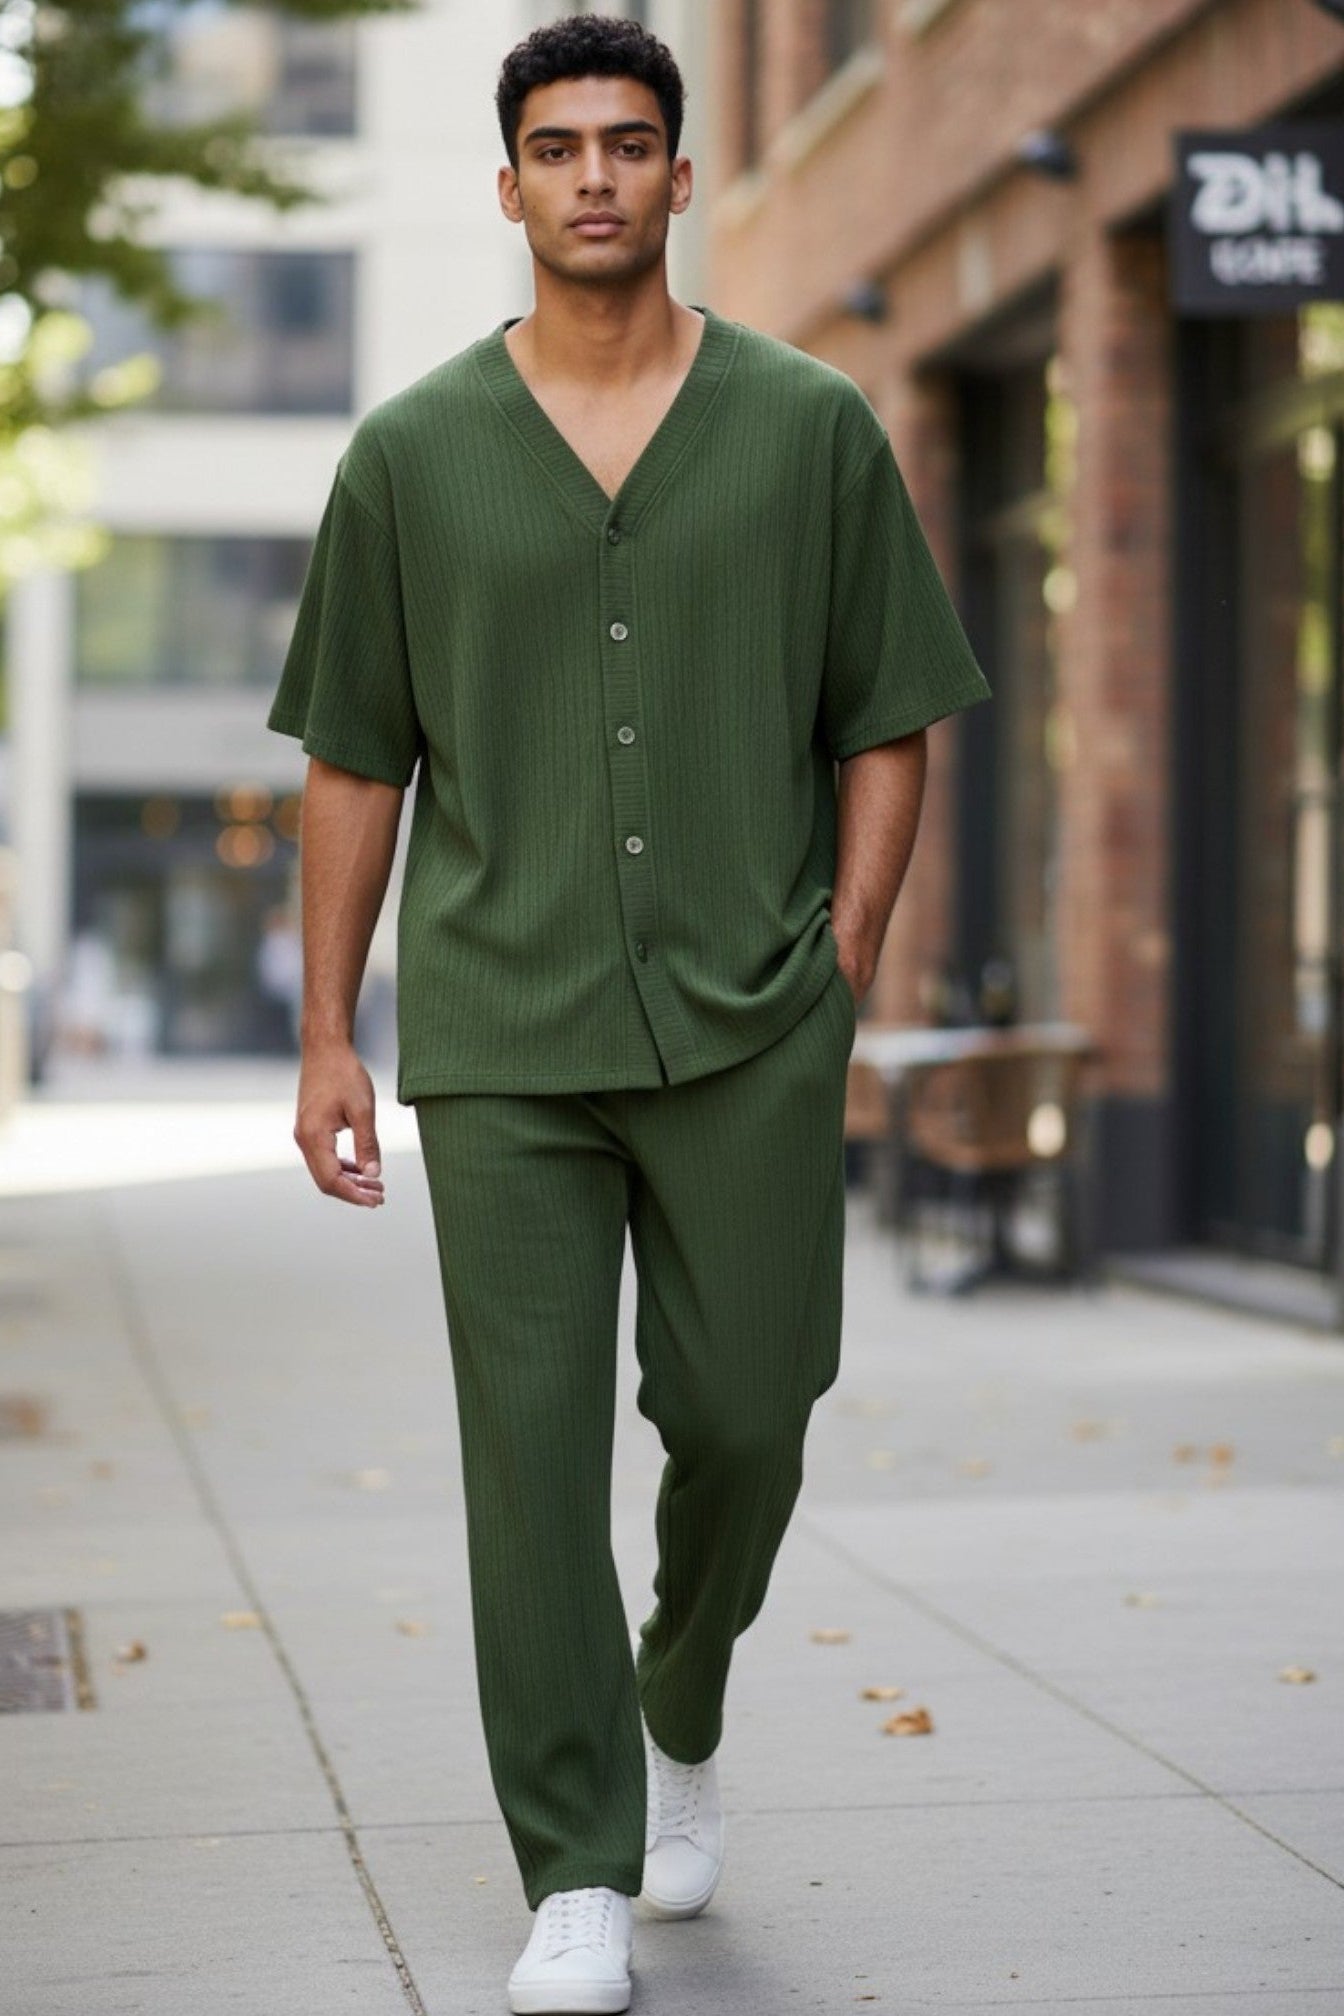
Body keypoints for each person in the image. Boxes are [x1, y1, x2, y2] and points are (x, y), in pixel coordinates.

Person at [266, 17, 991, 2013]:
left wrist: (842, 961)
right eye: (559, 145)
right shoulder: (411, 454)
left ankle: (684, 1696)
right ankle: (575, 1864)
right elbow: (352, 759)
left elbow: (890, 719)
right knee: (525, 1458)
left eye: (633, 143)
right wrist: (329, 1030)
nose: (596, 173)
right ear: (508, 187)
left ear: (682, 180)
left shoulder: (810, 426)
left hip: (755, 1020)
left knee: (752, 1414)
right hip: (502, 1034)